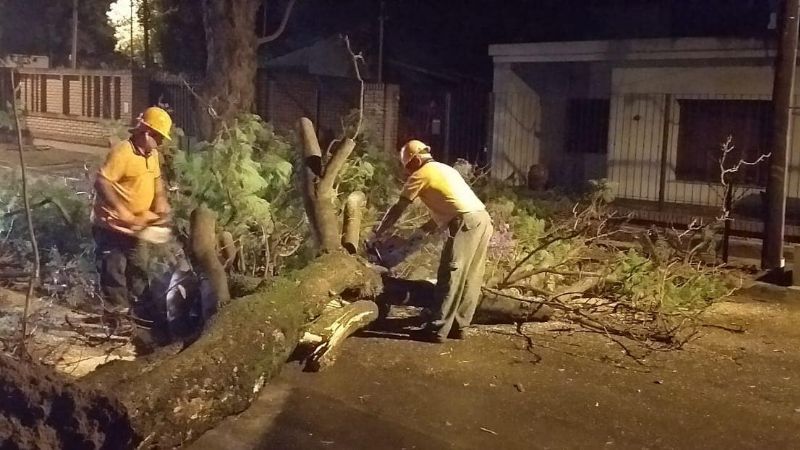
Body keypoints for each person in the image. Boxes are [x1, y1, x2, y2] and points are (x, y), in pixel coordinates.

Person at [373, 139, 493, 342]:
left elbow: (398, 208)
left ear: (417, 159)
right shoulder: (444, 170)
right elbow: (443, 213)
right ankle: (459, 326)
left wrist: (378, 233)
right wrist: (414, 238)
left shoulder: (422, 173)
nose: (408, 172)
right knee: (470, 277)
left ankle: (437, 329)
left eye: (409, 166)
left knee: (450, 274)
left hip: (466, 223)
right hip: (482, 220)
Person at [91, 106, 173, 312]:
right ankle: (117, 317)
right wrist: (121, 210)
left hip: (137, 227)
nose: (161, 143)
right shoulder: (122, 152)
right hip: (111, 227)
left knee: (139, 268)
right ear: (146, 132)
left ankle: (142, 313)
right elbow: (102, 182)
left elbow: (156, 180)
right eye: (159, 137)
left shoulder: (151, 154)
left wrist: (160, 202)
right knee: (114, 271)